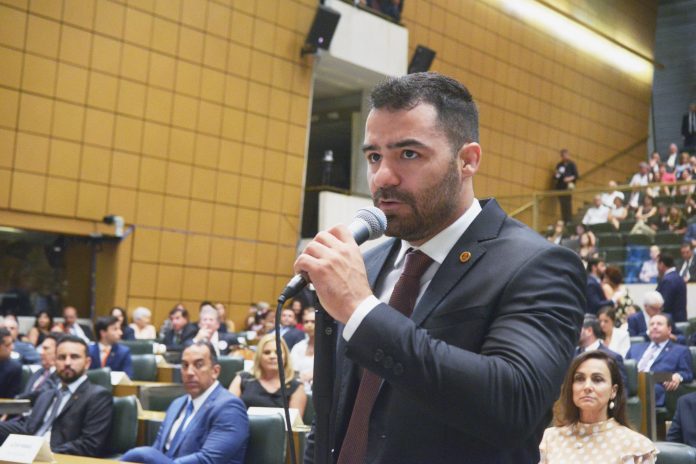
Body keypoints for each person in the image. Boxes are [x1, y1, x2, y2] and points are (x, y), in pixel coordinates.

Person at [297, 73, 585, 463]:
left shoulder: (537, 264)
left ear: (467, 160)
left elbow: (514, 403)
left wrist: (362, 310)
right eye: (374, 156)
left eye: (408, 154)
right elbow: (333, 416)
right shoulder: (367, 263)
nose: (383, 176)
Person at [120, 342, 249, 464]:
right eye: (185, 365)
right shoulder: (177, 404)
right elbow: (158, 450)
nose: (189, 372)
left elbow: (207, 460)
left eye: (198, 365)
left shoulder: (229, 407)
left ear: (215, 371)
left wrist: (146, 455)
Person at [0, 336, 114, 456]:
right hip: (26, 454)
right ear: (55, 361)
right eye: (61, 357)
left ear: (87, 363)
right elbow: (27, 427)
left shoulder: (98, 396)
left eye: (74, 357)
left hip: (57, 457)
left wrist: (43, 453)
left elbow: (90, 444)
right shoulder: (48, 393)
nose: (67, 363)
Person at [539, 351, 656, 463]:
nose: (587, 387)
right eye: (579, 379)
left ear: (613, 391)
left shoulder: (636, 446)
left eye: (597, 380)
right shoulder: (550, 438)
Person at [229, 333, 306, 416]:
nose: (272, 356)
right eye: (267, 352)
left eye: (278, 352)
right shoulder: (242, 379)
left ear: (286, 357)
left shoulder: (296, 387)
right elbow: (228, 411)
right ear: (259, 356)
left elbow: (294, 422)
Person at [627, 314, 693, 406]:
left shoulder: (680, 351)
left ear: (669, 329)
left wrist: (678, 376)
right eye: (652, 324)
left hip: (654, 390)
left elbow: (687, 373)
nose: (654, 327)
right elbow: (624, 369)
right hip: (628, 386)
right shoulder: (635, 348)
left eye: (659, 324)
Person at [576, 315, 626, 384]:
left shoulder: (612, 357)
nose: (574, 332)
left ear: (589, 331)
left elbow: (622, 387)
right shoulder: (572, 355)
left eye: (578, 329)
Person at [17, 333, 59, 404]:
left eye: (46, 348)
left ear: (58, 351)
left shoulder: (60, 377)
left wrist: (17, 400)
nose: (41, 352)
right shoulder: (38, 373)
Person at [290, 307, 315, 392]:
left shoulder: (329, 347)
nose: (309, 325)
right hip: (298, 388)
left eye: (313, 322)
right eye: (306, 322)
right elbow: (292, 370)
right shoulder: (298, 346)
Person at [656, 254, 687, 322]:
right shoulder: (678, 277)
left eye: (657, 263)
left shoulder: (668, 280)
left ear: (662, 264)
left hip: (671, 322)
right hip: (679, 319)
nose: (656, 267)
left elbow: (664, 304)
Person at [553, 148, 578, 223]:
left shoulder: (572, 164)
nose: (565, 157)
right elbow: (556, 177)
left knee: (568, 204)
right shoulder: (559, 165)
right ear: (561, 156)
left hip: (568, 187)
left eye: (566, 155)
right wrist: (556, 174)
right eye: (564, 155)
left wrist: (569, 178)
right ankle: (564, 219)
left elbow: (576, 175)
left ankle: (569, 220)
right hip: (560, 187)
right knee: (562, 204)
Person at [0, 327, 22, 399]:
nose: (12, 347)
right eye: (8, 345)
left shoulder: (14, 368)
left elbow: (10, 400)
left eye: (12, 343)